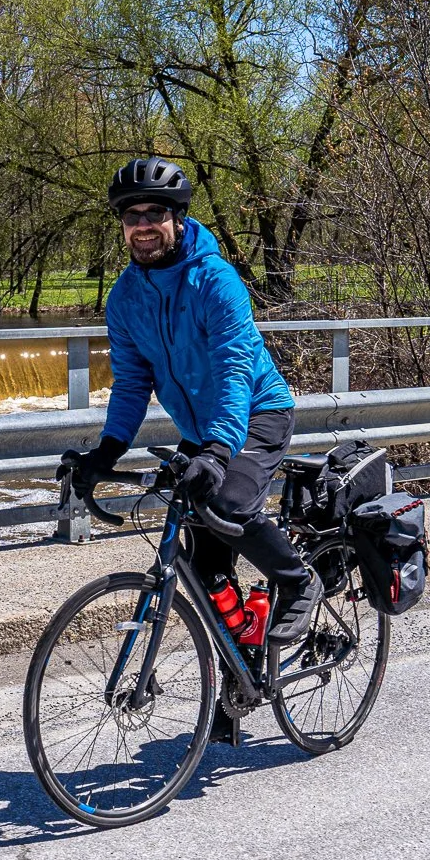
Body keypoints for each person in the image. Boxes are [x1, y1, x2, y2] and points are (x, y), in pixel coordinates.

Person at [60, 156, 323, 642]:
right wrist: (107, 451)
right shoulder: (124, 297)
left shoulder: (215, 280)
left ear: (176, 219)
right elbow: (133, 382)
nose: (142, 226)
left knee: (225, 502)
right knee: (206, 578)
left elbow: (233, 369)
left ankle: (298, 580)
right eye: (131, 216)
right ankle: (233, 693)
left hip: (257, 413)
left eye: (153, 214)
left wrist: (220, 450)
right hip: (201, 431)